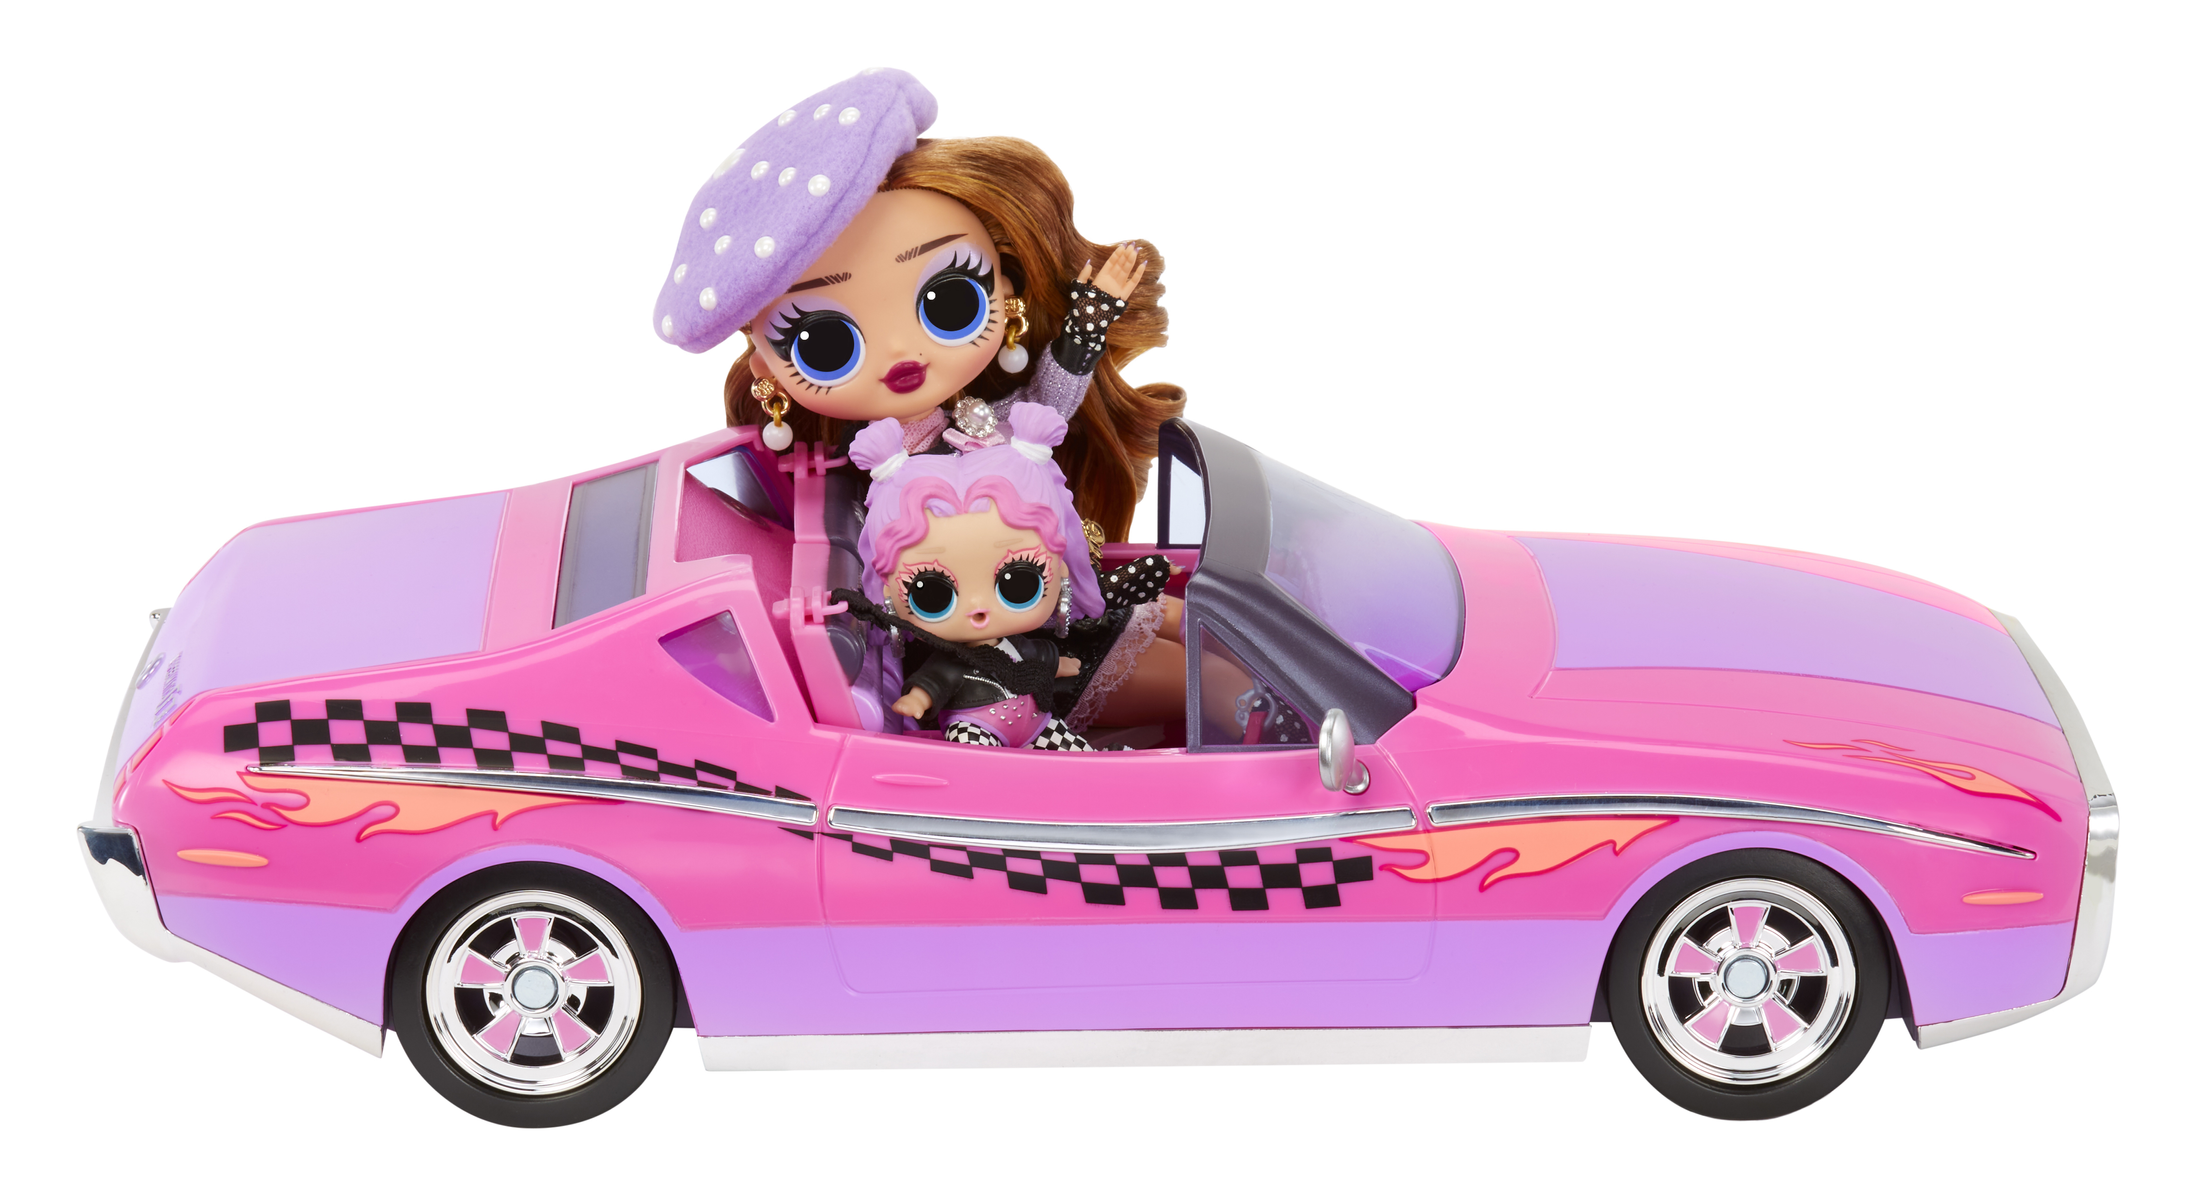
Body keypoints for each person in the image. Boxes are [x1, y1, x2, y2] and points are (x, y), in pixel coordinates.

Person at [653, 67, 1187, 732]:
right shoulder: (875, 473)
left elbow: (1053, 400)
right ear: (768, 371)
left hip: (1057, 605)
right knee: (1206, 684)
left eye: (948, 300)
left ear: (1007, 289)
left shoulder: (981, 424)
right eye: (826, 343)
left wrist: (1091, 314)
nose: (903, 350)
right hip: (1000, 656)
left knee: (1198, 626)